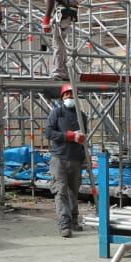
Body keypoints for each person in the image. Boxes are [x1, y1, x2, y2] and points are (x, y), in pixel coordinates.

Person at [45, 82, 87, 237]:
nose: (69, 96)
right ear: (62, 97)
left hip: (75, 159)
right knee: (61, 192)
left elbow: (83, 139)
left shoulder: (81, 116)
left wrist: (84, 159)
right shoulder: (56, 113)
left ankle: (74, 221)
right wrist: (68, 136)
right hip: (59, 159)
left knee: (73, 192)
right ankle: (64, 225)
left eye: (72, 94)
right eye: (67, 94)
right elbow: (48, 133)